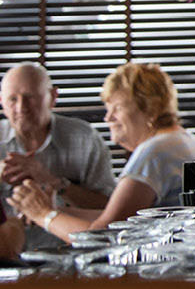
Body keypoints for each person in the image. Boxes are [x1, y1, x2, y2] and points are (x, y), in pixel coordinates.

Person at [6, 63, 195, 244]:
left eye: (116, 108)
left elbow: (104, 237)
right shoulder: (182, 140)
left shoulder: (154, 153)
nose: (108, 117)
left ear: (149, 108)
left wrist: (43, 215)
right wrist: (57, 211)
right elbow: (120, 217)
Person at [1, 62, 116, 251]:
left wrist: (54, 182)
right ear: (1, 102)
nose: (21, 107)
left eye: (30, 97)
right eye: (13, 99)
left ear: (53, 97)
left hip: (73, 253)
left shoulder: (84, 138)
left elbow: (110, 209)